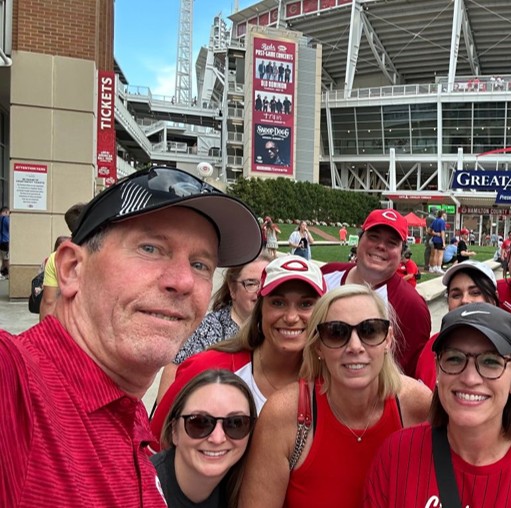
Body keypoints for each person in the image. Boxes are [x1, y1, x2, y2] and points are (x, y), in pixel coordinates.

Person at [0, 167, 262, 506]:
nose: (182, 282)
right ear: (71, 269)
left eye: (200, 265)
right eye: (150, 248)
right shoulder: (16, 384)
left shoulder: (131, 418)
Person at [364, 303, 511, 507]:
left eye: (490, 362)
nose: (470, 378)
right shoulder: (397, 456)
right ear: (438, 370)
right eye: (454, 359)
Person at [239, 285, 432, 507]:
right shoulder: (285, 415)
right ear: (319, 346)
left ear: (387, 339)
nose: (355, 346)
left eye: (370, 330)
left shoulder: (416, 405)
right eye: (336, 333)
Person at [150, 255, 327, 449]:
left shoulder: (330, 383)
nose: (292, 317)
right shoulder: (207, 367)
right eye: (278, 302)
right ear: (260, 310)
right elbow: (155, 443)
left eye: (306, 304)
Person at [321, 208, 430, 376]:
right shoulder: (325, 275)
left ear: (402, 254)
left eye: (392, 242)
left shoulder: (411, 306)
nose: (380, 246)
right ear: (359, 241)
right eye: (373, 237)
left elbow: (407, 375)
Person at [155, 253, 275, 405]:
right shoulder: (206, 330)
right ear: (232, 289)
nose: (259, 292)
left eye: (265, 284)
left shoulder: (276, 333)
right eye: (251, 283)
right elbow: (173, 375)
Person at [415, 260, 511, 389]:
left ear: (494, 299)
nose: (465, 300)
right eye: (456, 295)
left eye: (475, 292)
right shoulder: (433, 346)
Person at [153, 370, 257, 507]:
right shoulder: (137, 491)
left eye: (235, 423)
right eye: (199, 423)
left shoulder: (250, 489)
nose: (217, 438)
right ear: (174, 431)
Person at [38, 202, 86, 321]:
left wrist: (44, 334)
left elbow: (49, 301)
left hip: (64, 324)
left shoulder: (55, 257)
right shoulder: (102, 254)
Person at [428, 209, 447, 273]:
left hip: (434, 239)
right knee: (440, 254)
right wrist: (444, 242)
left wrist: (435, 233)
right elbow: (442, 232)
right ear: (442, 214)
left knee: (434, 254)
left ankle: (434, 267)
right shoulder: (442, 221)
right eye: (445, 213)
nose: (445, 215)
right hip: (439, 240)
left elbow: (429, 230)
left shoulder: (435, 221)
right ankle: (439, 267)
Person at [0, 206, 9, 278]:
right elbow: (10, 227)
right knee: (6, 258)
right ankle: (8, 272)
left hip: (1, 241)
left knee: (3, 258)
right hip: (5, 241)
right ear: (5, 212)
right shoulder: (5, 219)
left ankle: (2, 271)